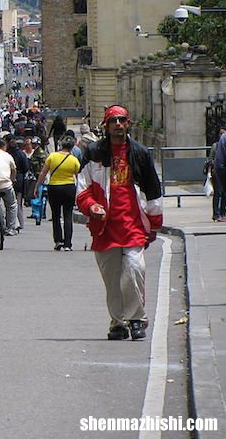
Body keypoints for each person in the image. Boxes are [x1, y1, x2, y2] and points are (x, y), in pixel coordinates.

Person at [76, 105, 163, 341]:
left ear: (128, 123)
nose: (117, 124)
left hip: (133, 225)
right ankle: (117, 322)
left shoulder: (141, 153)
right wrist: (91, 207)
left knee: (135, 270)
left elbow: (153, 190)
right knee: (112, 278)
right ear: (106, 125)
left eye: (121, 120)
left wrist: (154, 224)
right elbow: (82, 188)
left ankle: (136, 319)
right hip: (104, 227)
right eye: (113, 120)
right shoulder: (94, 152)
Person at [36, 135, 81, 251]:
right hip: (69, 188)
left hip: (54, 187)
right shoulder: (74, 160)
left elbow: (43, 173)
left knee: (55, 215)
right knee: (68, 215)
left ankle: (58, 241)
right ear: (72, 147)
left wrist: (37, 186)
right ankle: (67, 244)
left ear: (61, 145)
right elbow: (79, 176)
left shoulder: (52, 156)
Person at [207, 128, 226, 221]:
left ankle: (223, 213)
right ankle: (216, 213)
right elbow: (210, 159)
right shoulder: (215, 145)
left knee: (224, 194)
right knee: (218, 193)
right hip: (217, 173)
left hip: (223, 171)